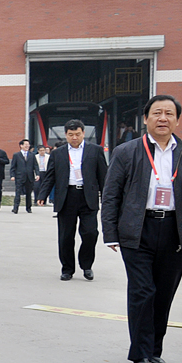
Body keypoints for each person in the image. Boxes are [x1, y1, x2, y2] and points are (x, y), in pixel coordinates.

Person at [101, 95, 182, 363]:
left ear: (177, 120)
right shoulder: (126, 152)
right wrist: (110, 232)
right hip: (138, 230)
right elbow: (111, 194)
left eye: (169, 113)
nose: (163, 118)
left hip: (175, 231)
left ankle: (153, 350)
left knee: (163, 294)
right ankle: (140, 356)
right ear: (146, 118)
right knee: (142, 291)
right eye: (157, 113)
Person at [37, 120, 108, 280]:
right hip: (66, 197)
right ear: (66, 135)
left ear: (83, 133)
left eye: (77, 134)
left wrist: (107, 197)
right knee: (66, 236)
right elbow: (50, 176)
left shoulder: (95, 150)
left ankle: (86, 265)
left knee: (90, 233)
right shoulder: (58, 153)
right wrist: (42, 195)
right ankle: (67, 269)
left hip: (87, 197)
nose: (74, 137)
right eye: (71, 135)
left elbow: (103, 176)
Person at [9, 139, 39, 213]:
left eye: (28, 144)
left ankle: (28, 208)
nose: (27, 146)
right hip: (19, 177)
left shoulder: (32, 155)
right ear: (21, 145)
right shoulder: (16, 155)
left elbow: (35, 165)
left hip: (29, 177)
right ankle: (15, 208)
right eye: (25, 144)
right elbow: (13, 167)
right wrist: (12, 175)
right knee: (18, 193)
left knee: (29, 193)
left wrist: (37, 174)